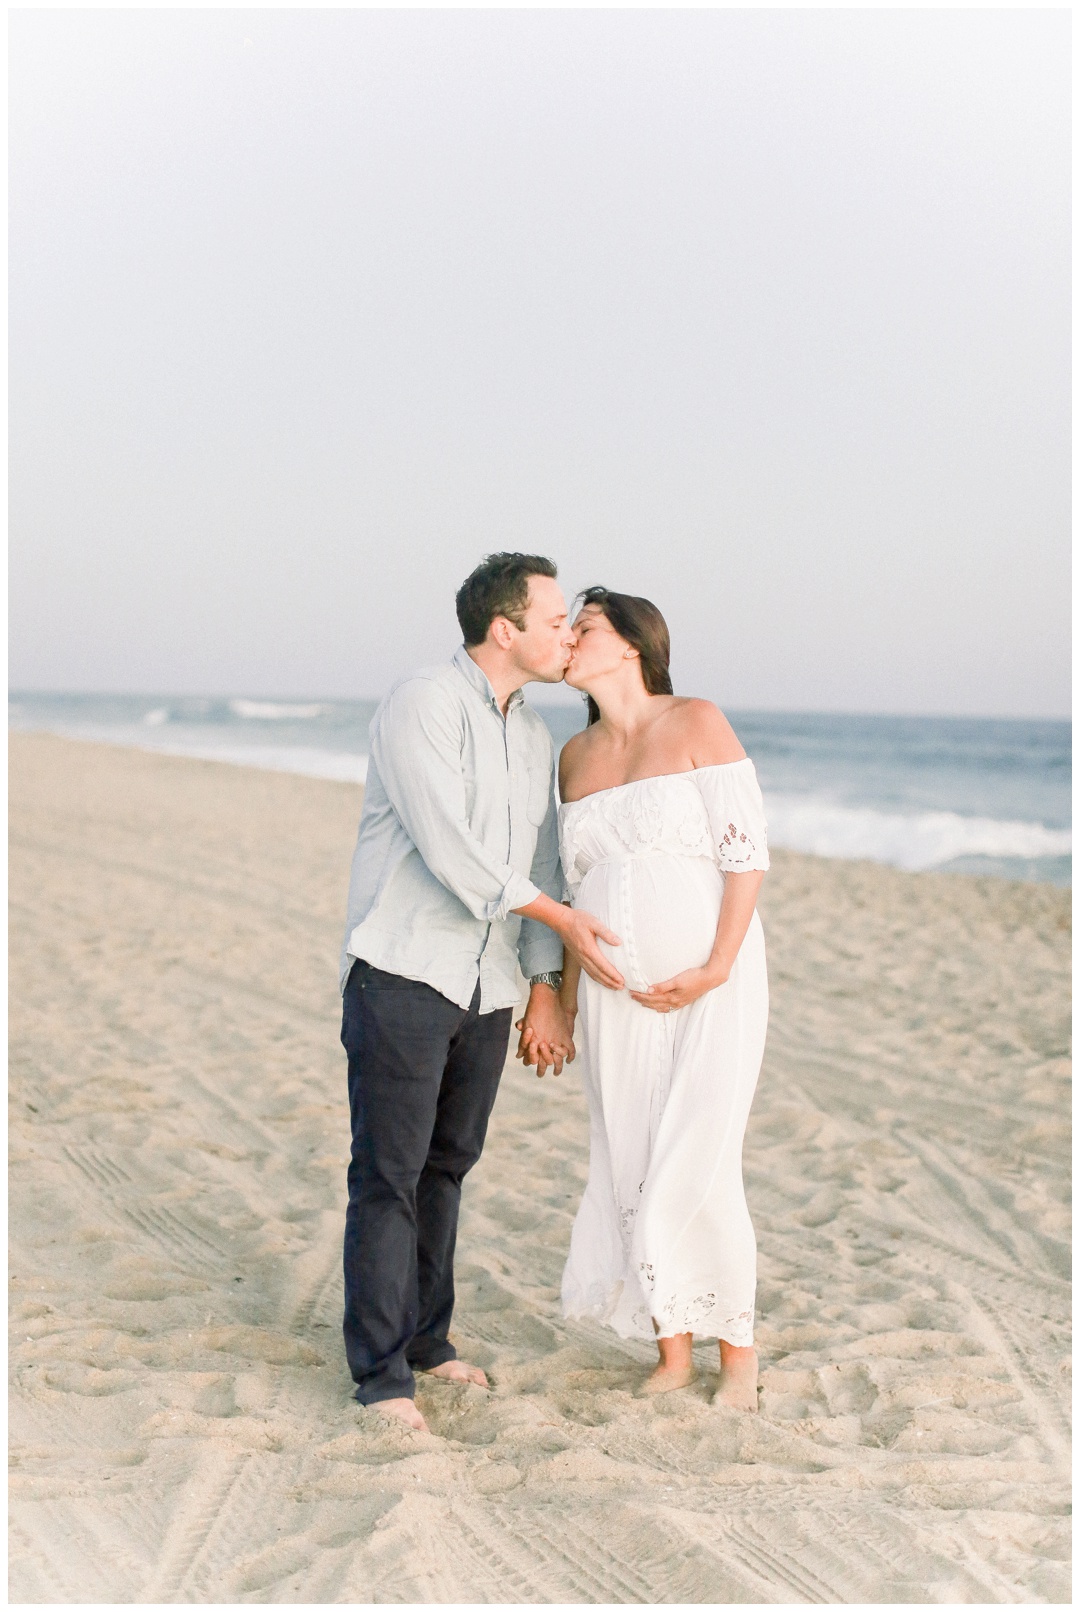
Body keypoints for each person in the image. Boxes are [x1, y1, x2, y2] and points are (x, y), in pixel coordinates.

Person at [338, 554, 620, 1431]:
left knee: (447, 1169)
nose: (566, 635)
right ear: (505, 629)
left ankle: (428, 1340)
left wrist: (543, 983)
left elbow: (538, 863)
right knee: (388, 1175)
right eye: (554, 620)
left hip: (489, 986)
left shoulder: (534, 735)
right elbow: (451, 849)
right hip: (406, 970)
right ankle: (382, 1377)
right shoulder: (424, 700)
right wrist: (568, 928)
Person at [540, 585, 770, 1410]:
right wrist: (561, 998)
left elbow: (745, 857)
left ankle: (736, 1354)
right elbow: (573, 893)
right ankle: (674, 1352)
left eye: (585, 626)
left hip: (713, 982)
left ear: (632, 644)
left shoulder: (697, 720)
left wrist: (717, 964)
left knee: (700, 1156)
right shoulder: (573, 759)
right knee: (630, 1155)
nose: (568, 636)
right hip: (612, 996)